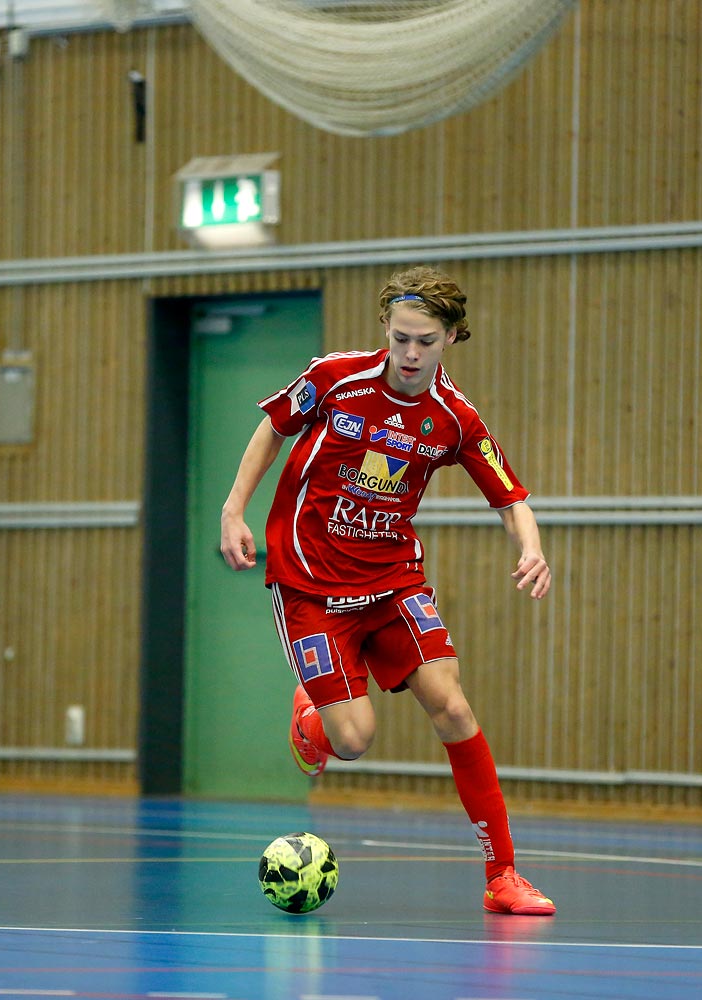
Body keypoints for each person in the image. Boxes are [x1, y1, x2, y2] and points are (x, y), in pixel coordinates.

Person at [219, 266, 556, 916]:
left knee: (454, 708)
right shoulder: (335, 377)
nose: (409, 354)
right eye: (400, 337)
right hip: (310, 584)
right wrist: (234, 510)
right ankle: (314, 717)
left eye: (424, 341)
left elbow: (511, 498)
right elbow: (272, 427)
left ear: (451, 338)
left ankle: (503, 876)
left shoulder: (453, 418)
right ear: (385, 329)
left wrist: (532, 547)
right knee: (354, 739)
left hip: (391, 582)